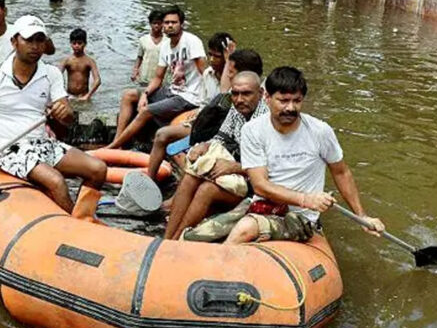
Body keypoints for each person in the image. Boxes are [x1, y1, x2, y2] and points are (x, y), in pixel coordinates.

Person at [0, 16, 107, 221]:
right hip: (8, 148)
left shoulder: (51, 74)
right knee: (56, 181)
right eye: (29, 40)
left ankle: (84, 214)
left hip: (42, 143)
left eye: (40, 40)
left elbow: (68, 119)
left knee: (99, 169)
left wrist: (65, 114)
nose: (35, 46)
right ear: (14, 42)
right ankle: (79, 226)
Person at [224, 67, 386, 244]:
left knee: (245, 228)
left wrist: (362, 216)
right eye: (283, 101)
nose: (291, 108)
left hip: (301, 217)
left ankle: (219, 270)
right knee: (199, 235)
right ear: (267, 98)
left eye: (297, 101)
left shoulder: (320, 131)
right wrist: (306, 199)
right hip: (264, 207)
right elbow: (260, 186)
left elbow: (341, 172)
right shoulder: (252, 130)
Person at [164, 71, 269, 239]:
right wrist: (205, 145)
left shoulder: (268, 121)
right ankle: (168, 236)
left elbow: (271, 167)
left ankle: (177, 238)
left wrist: (233, 167)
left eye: (246, 94)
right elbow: (221, 137)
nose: (240, 99)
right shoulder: (236, 110)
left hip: (253, 184)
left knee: (207, 189)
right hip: (233, 170)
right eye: (235, 94)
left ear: (261, 93)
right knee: (190, 177)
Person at [106, 6, 207, 150]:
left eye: (173, 22)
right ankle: (118, 140)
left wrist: (206, 104)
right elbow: (158, 78)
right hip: (171, 91)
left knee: (146, 111)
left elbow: (206, 72)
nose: (169, 26)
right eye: (166, 23)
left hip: (189, 97)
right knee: (128, 95)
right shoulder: (166, 45)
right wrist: (145, 94)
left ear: (181, 24)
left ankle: (112, 147)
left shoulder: (192, 41)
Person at [146, 32, 237, 181]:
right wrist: (197, 117)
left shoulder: (238, 78)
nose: (212, 60)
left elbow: (223, 97)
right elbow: (204, 103)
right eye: (210, 55)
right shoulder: (208, 74)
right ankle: (150, 179)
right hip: (204, 125)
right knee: (162, 135)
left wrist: (230, 62)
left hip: (222, 130)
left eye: (217, 56)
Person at [58, 29, 101, 101]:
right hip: (70, 96)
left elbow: (97, 80)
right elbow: (57, 76)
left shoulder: (89, 61)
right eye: (74, 43)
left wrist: (88, 95)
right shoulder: (67, 60)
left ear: (85, 43)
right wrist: (62, 94)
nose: (76, 46)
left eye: (79, 43)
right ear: (70, 44)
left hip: (84, 96)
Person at [132, 10, 165, 87]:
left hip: (162, 79)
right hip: (145, 77)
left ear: (163, 24)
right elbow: (140, 57)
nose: (156, 25)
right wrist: (135, 70)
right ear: (150, 24)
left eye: (159, 23)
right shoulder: (143, 40)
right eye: (154, 23)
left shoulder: (168, 41)